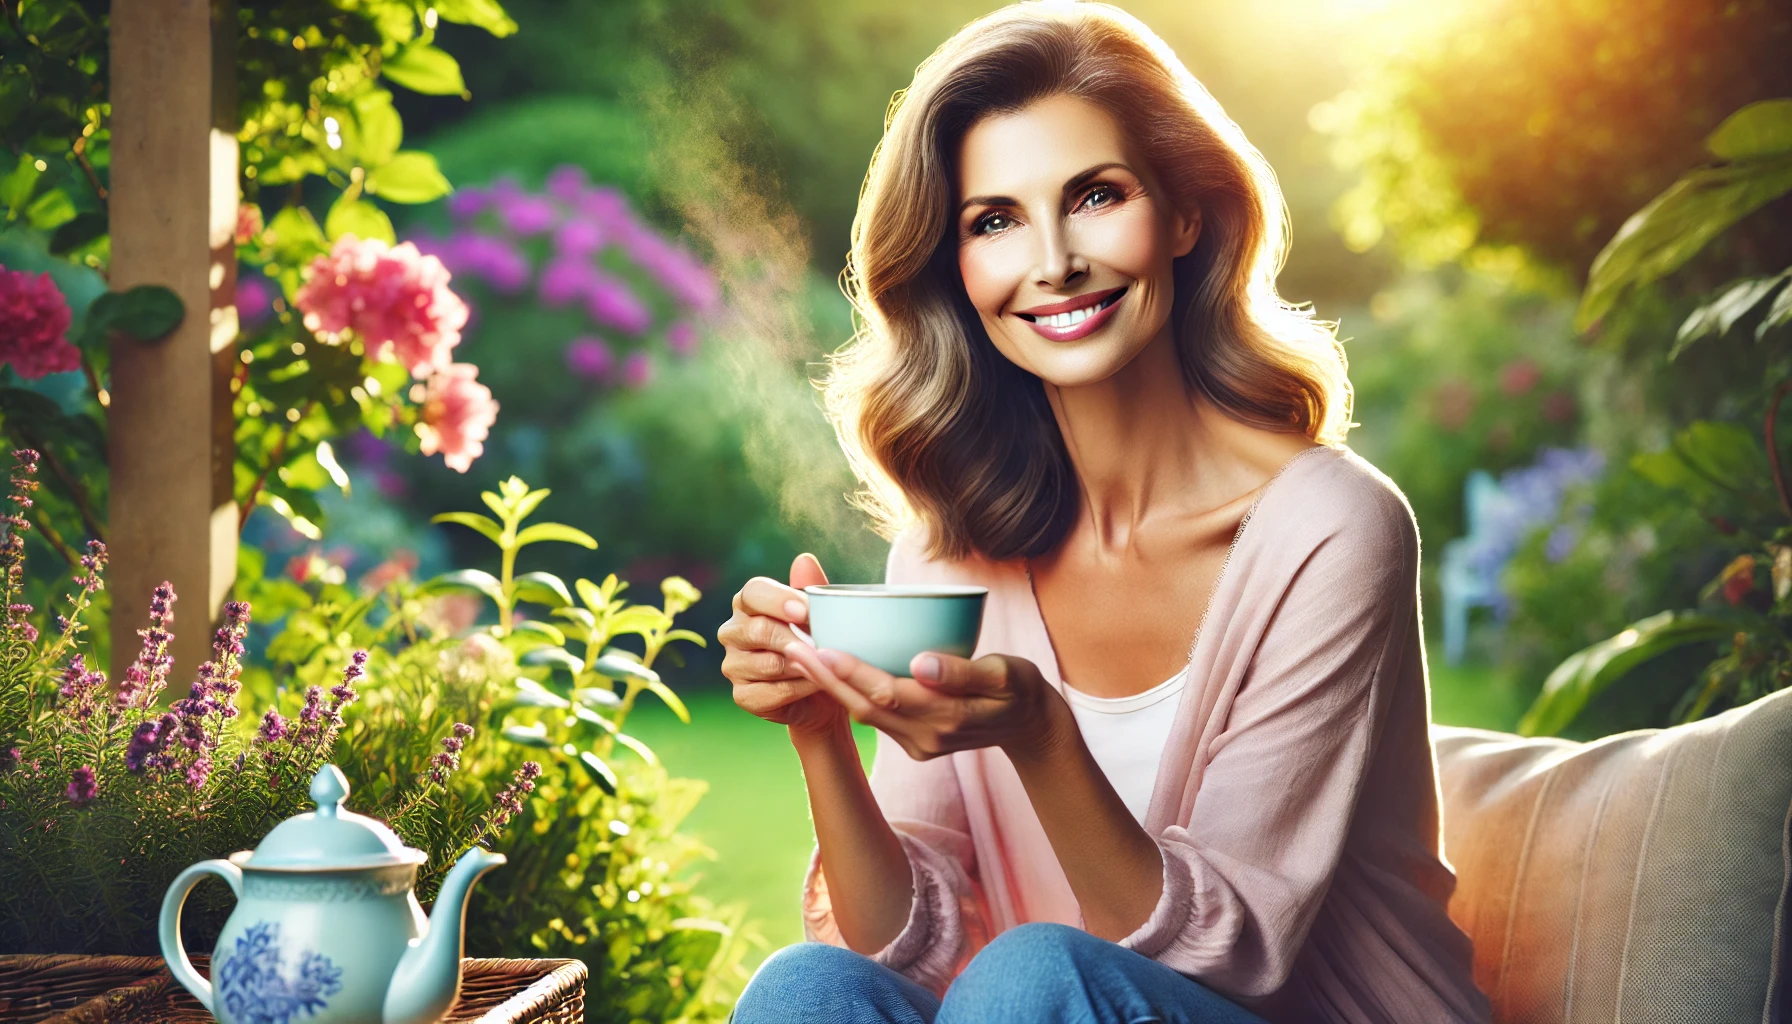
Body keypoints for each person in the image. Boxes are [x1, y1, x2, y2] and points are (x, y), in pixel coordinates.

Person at [716, 3, 1491, 1021]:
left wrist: (1044, 734)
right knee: (808, 986)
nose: (1053, 261)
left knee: (1036, 972)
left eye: (1093, 196)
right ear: (955, 268)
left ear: (1183, 214)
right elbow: (904, 950)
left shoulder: (1331, 530)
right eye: (994, 221)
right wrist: (817, 729)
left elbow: (1233, 954)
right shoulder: (955, 553)